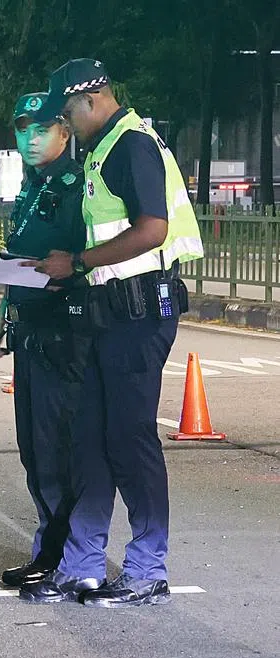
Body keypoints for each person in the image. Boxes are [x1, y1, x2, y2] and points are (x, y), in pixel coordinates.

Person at [24, 59, 203, 608]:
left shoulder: (131, 144)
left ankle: (149, 567)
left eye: (68, 113)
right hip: (108, 311)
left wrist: (77, 262)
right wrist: (73, 274)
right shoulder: (104, 148)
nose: (66, 124)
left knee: (129, 440)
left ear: (91, 99)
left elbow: (153, 229)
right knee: (91, 440)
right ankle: (82, 566)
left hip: (141, 313)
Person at [0, 92, 93, 602]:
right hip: (28, 330)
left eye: (41, 129)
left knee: (59, 450)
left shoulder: (76, 187)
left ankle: (65, 559)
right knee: (35, 449)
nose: (29, 138)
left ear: (64, 133)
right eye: (23, 129)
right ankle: (48, 554)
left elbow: (79, 262)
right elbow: (20, 258)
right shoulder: (33, 185)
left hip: (62, 333)